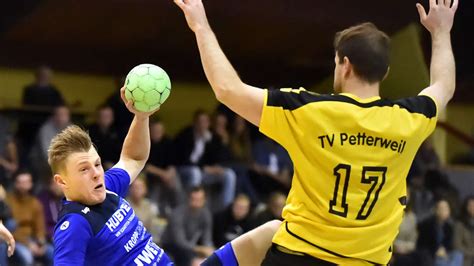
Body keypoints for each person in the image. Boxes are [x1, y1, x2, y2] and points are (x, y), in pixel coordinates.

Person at [173, 0, 458, 264]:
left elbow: (227, 89)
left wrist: (200, 24)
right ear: (383, 73)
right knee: (269, 230)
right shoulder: (409, 119)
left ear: (345, 65)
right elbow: (444, 86)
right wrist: (441, 31)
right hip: (367, 261)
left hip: (298, 255)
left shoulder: (310, 111)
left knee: (270, 233)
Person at [51, 88, 173, 265]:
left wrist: (141, 117)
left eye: (97, 164)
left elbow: (133, 158)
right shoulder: (75, 224)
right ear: (62, 181)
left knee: (230, 248)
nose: (96, 174)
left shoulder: (106, 187)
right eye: (84, 169)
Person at [6, 170, 53, 266]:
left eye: (27, 182)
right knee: (27, 258)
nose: (24, 185)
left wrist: (41, 242)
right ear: (16, 184)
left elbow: (40, 228)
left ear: (31, 184)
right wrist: (27, 244)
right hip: (15, 240)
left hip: (32, 239)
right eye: (21, 182)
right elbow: (8, 228)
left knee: (52, 253)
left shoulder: (35, 203)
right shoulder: (8, 201)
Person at [161, 186, 214, 266]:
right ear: (188, 199)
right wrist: (201, 249)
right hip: (170, 246)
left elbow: (207, 238)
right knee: (191, 259)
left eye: (199, 200)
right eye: (194, 199)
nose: (197, 202)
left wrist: (208, 250)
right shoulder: (177, 214)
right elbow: (180, 242)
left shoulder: (206, 215)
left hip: (190, 247)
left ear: (204, 200)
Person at [417, 199, 463, 266]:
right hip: (431, 254)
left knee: (458, 254)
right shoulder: (426, 225)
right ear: (436, 210)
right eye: (441, 208)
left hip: (444, 254)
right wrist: (436, 250)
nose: (444, 210)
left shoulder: (449, 227)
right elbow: (422, 245)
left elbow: (449, 244)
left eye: (446, 208)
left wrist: (444, 249)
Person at [87, 105, 122, 170]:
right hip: (95, 165)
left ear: (112, 117)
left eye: (108, 116)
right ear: (97, 118)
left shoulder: (119, 132)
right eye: (103, 116)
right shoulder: (89, 132)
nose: (106, 119)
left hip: (117, 165)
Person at [454, 196, 474, 266]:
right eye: (470, 205)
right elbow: (457, 245)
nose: (472, 208)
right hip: (465, 259)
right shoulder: (459, 224)